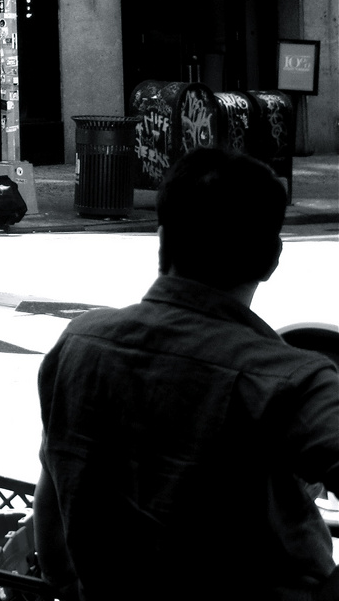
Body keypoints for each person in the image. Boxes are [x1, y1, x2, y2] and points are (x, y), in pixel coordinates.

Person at [33, 148, 339, 601]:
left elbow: (52, 512)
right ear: (272, 258)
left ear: (161, 240)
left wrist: (70, 585)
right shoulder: (294, 379)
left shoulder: (78, 345)